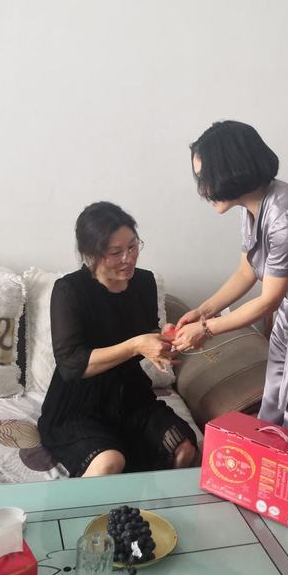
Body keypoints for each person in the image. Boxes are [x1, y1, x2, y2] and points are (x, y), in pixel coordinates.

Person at [173, 120, 288, 442]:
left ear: (233, 169)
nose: (202, 190)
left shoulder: (287, 216)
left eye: (206, 178)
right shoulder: (252, 206)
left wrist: (206, 330)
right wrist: (203, 311)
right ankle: (271, 468)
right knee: (274, 400)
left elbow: (268, 300)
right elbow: (246, 272)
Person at [38, 202, 197, 477]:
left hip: (131, 397)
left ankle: (157, 504)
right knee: (110, 462)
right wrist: (135, 345)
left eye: (133, 247)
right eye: (115, 252)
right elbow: (71, 365)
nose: (128, 258)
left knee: (183, 448)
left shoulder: (144, 282)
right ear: (90, 254)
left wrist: (167, 340)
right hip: (79, 404)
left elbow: (148, 335)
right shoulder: (69, 290)